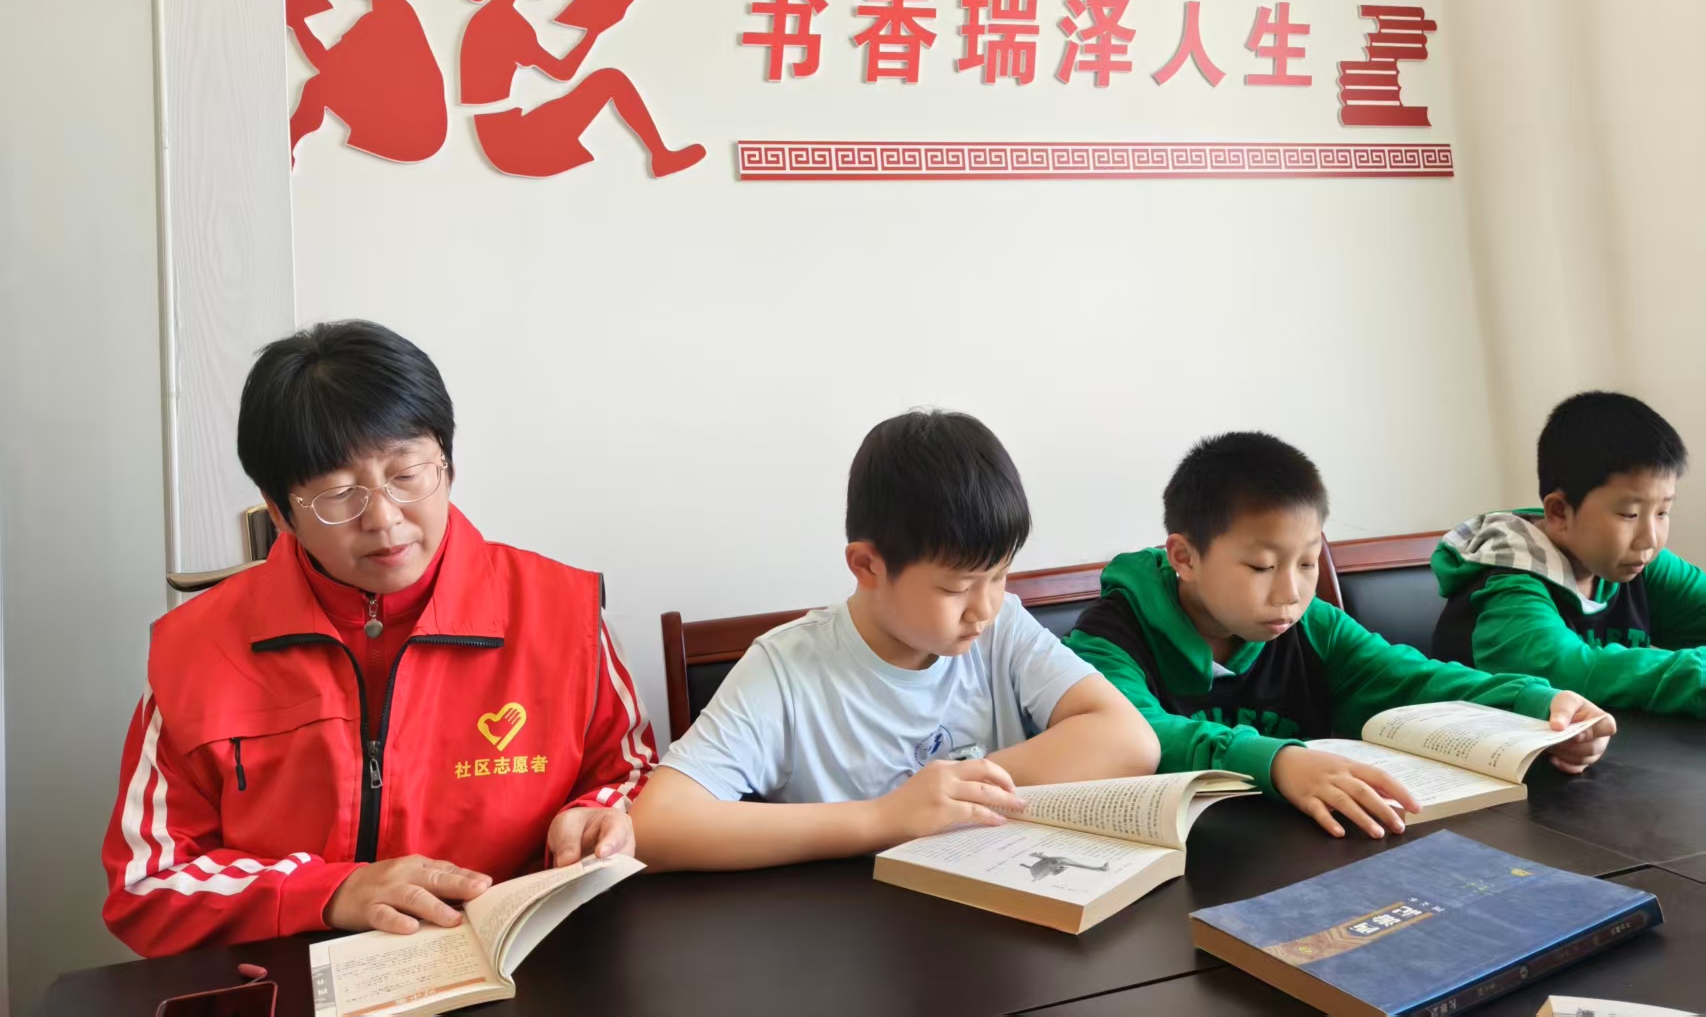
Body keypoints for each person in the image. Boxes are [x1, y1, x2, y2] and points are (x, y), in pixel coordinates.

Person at [101, 321, 656, 956]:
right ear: (280, 511)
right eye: (339, 493)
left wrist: (600, 816)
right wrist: (331, 891)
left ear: (447, 464)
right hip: (297, 977)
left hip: (527, 967)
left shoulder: (560, 613)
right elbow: (149, 882)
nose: (384, 519)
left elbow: (632, 774)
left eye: (407, 473)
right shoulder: (198, 650)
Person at [631, 410, 1160, 870]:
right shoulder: (785, 670)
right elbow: (655, 826)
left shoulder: (1001, 629)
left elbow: (1130, 741)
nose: (984, 607)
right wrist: (885, 816)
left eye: (1000, 576)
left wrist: (958, 790)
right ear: (868, 566)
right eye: (956, 588)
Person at [1065, 432, 1616, 839]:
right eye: (1261, 567)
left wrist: (1536, 704)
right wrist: (1279, 762)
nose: (1290, 593)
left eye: (1307, 563)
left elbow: (1412, 680)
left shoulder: (1311, 623)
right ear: (1185, 557)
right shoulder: (1108, 638)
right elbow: (1136, 737)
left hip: (1316, 856)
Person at [1434, 391, 1706, 715]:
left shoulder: (1635, 562)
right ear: (1559, 512)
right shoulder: (1509, 583)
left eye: (1662, 512)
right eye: (1629, 514)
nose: (1649, 539)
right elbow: (1566, 670)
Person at [458, 0, 704, 179]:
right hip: (512, 143)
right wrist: (594, 30)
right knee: (609, 80)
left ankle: (661, 156)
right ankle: (661, 156)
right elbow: (562, 72)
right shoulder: (505, 23)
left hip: (500, 136)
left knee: (606, 81)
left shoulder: (493, 17)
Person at [287, 0, 448, 165]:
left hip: (410, 135)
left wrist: (297, 23)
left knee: (319, 87)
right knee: (321, 85)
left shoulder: (386, 20)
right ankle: (289, 142)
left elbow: (325, 65)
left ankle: (287, 144)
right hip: (417, 130)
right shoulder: (393, 13)